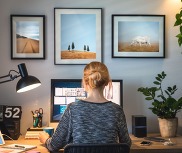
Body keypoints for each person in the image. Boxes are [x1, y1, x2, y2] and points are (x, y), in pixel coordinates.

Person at [39, 61, 132, 151]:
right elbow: (126, 144)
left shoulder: (72, 109)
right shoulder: (117, 110)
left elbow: (54, 145)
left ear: (85, 82)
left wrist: (45, 140)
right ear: (107, 82)